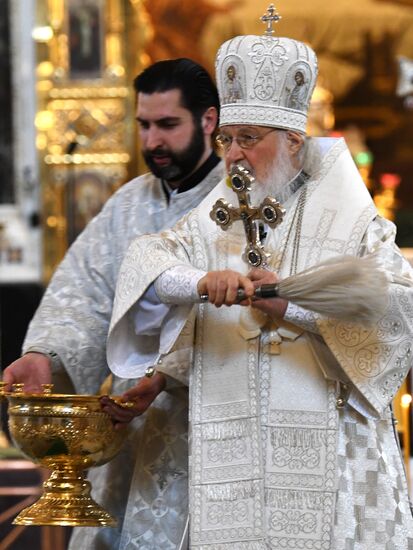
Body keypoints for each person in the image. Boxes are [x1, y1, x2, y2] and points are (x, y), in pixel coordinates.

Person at [106, 16, 413, 550]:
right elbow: (148, 261)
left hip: (330, 456)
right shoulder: (217, 211)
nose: (233, 155)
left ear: (294, 140)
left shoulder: (351, 219)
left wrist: (290, 307)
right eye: (227, 138)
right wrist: (200, 285)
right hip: (232, 448)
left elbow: (397, 310)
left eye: (249, 139)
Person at [3, 58, 224, 549]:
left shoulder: (239, 200)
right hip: (131, 422)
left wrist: (171, 369)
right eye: (144, 125)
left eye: (168, 125)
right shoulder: (129, 204)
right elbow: (83, 294)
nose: (152, 143)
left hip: (215, 421)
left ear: (208, 121)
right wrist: (47, 355)